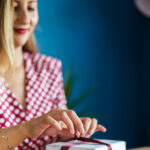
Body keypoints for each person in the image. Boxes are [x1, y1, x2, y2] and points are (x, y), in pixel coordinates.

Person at [0, 0, 107, 149]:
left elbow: (56, 140)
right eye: (14, 8)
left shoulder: (48, 68)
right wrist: (26, 129)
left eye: (31, 8)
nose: (25, 19)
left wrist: (68, 133)